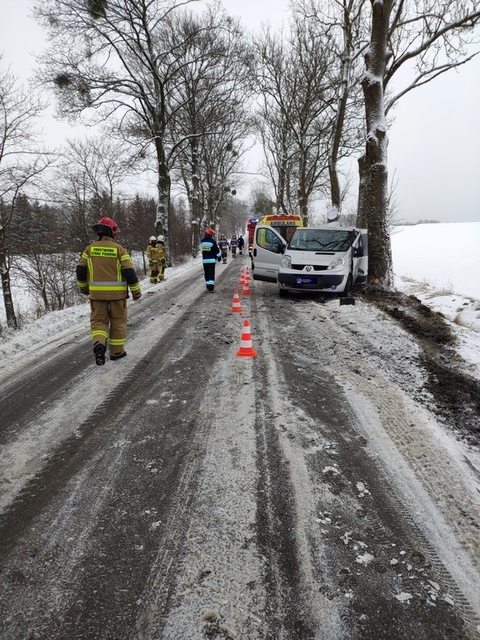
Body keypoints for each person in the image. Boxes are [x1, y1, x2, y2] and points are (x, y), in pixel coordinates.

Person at [76, 216, 142, 365]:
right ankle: (116, 352)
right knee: (118, 322)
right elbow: (129, 272)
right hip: (117, 296)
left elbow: (80, 271)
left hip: (96, 296)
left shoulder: (89, 249)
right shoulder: (119, 249)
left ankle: (99, 345)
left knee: (99, 322)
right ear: (113, 231)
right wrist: (136, 292)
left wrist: (84, 288)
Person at [200, 227, 221, 292]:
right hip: (211, 260)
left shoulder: (202, 242)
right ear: (210, 235)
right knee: (211, 274)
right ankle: (211, 288)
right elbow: (216, 250)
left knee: (206, 273)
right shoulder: (212, 242)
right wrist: (219, 257)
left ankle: (207, 286)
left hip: (205, 260)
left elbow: (202, 250)